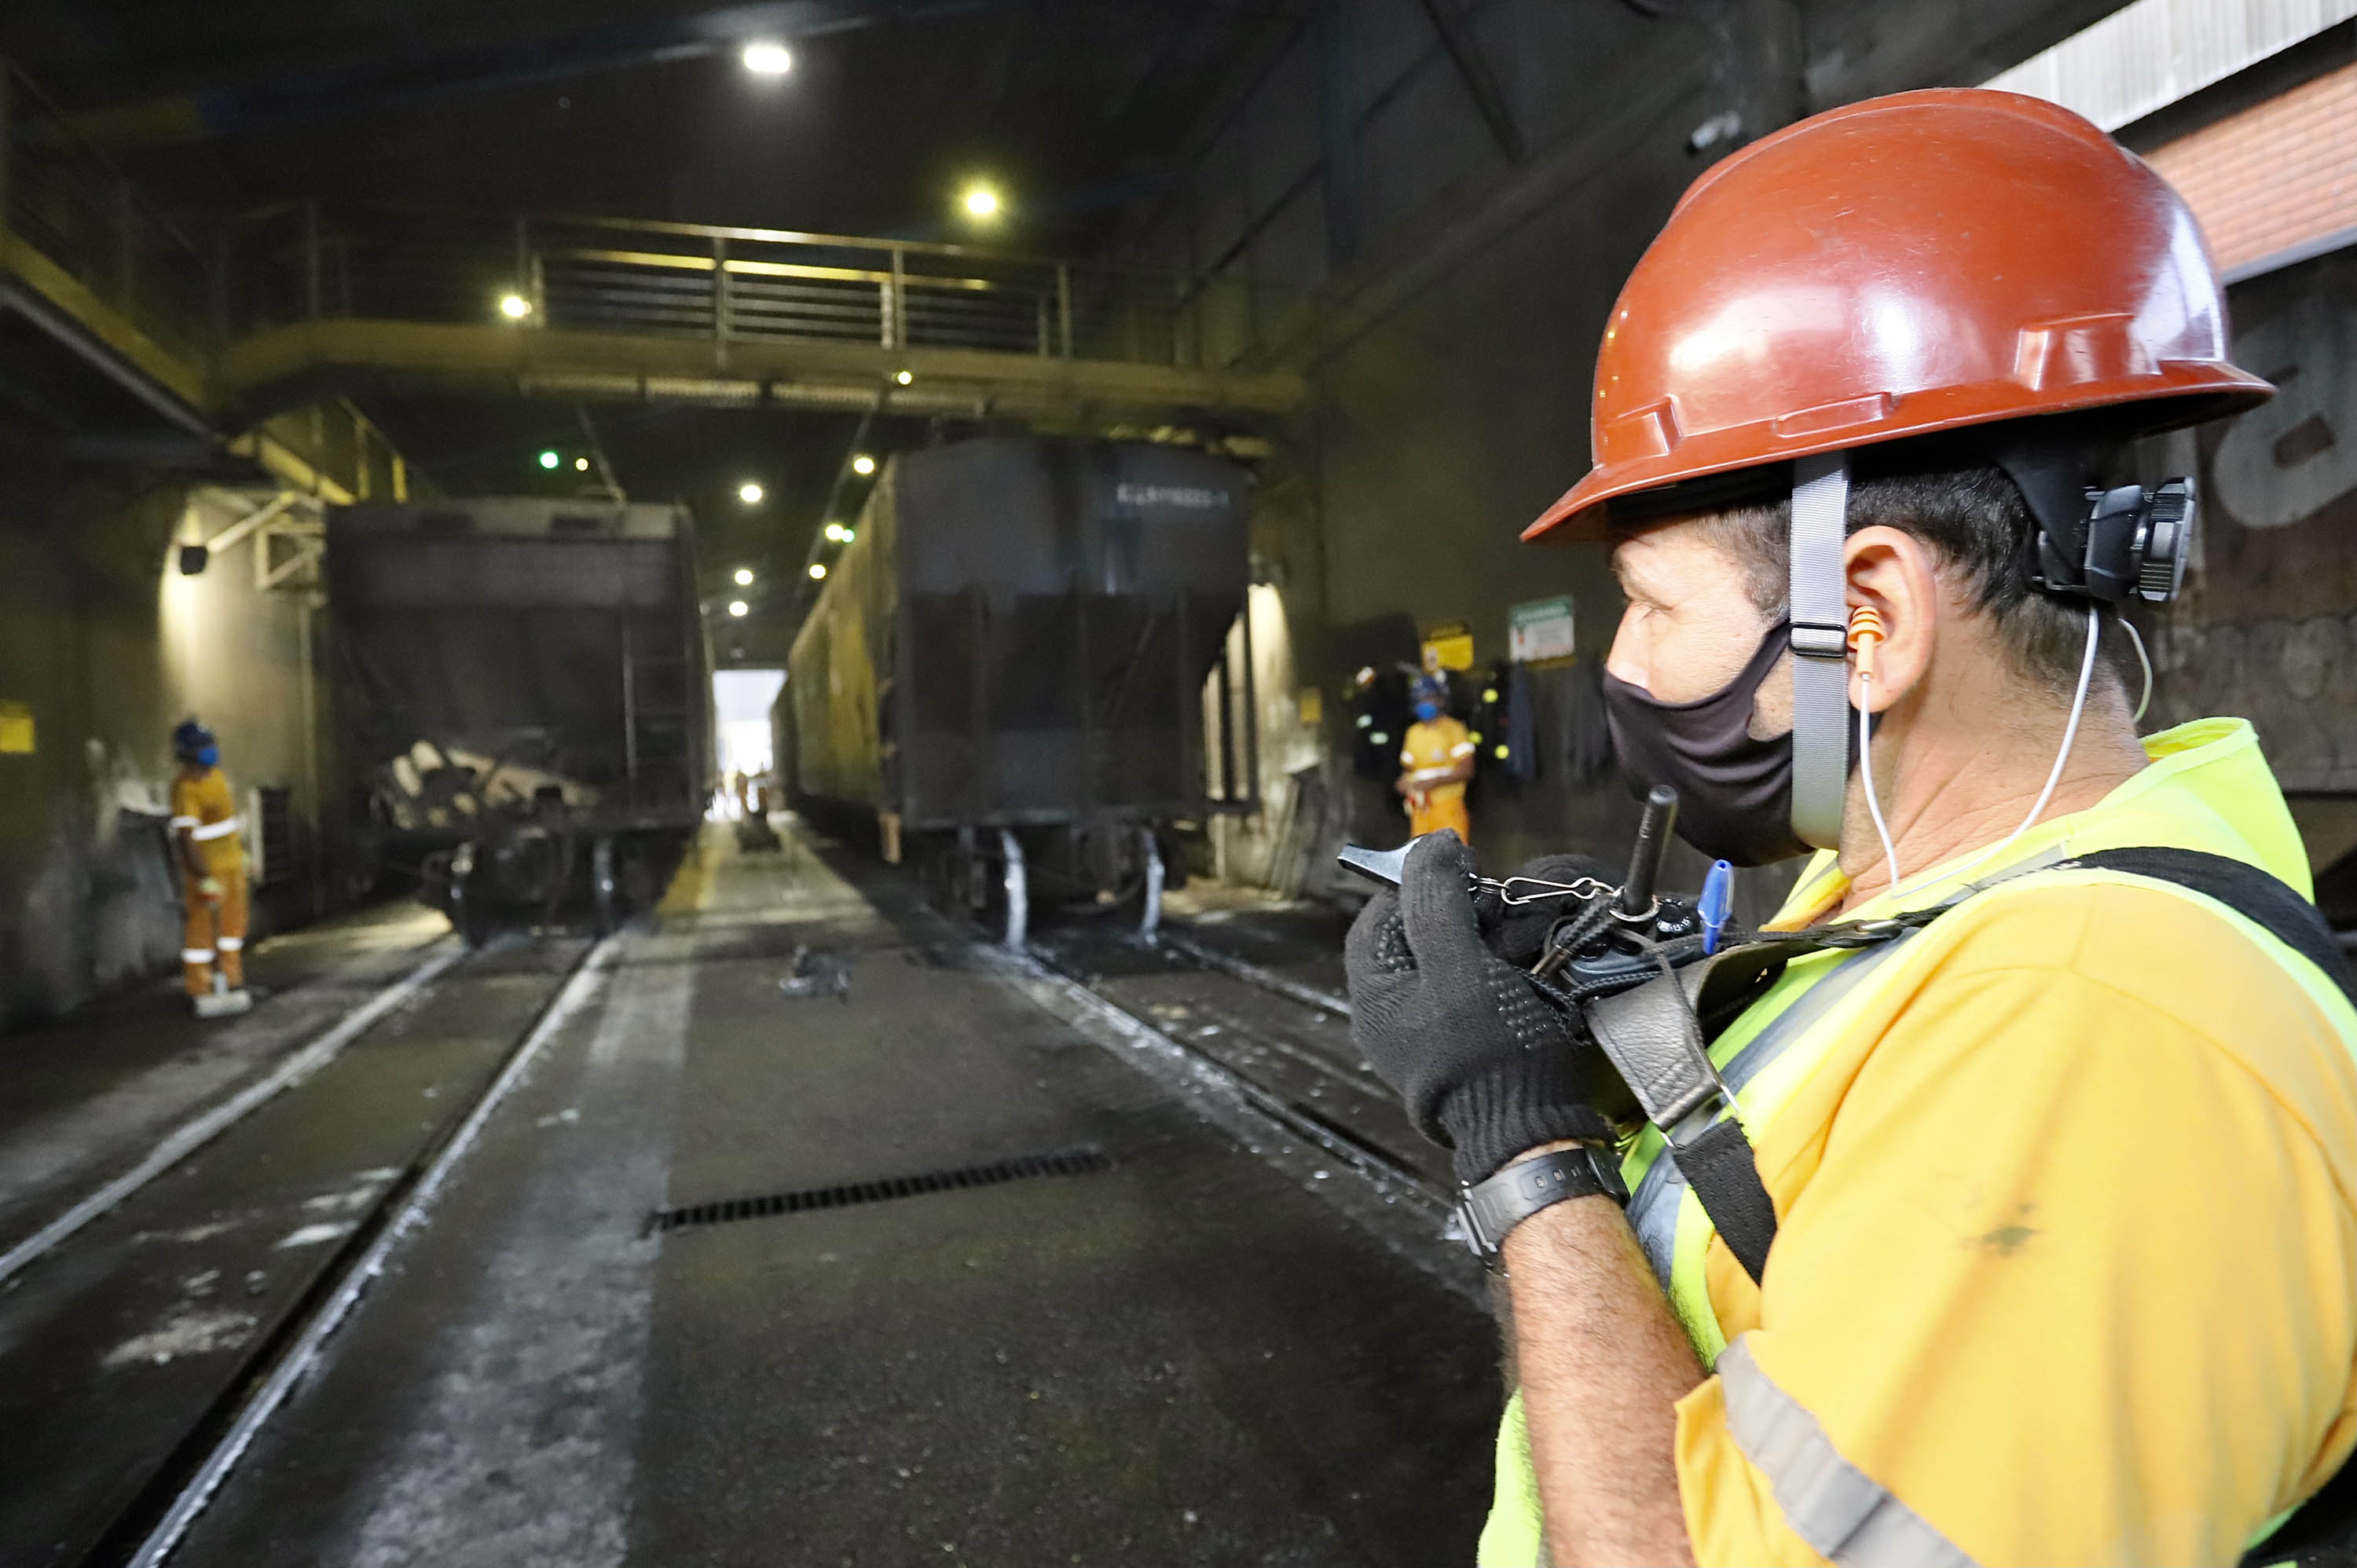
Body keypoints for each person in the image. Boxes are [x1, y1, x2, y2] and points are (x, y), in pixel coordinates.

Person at [1343, 90, 2356, 1566]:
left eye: (1652, 605)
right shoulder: (1944, 896)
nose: (1626, 664)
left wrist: (1526, 1147)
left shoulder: (2085, 1035)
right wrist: (1624, 1047)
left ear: (1864, 619)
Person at [169, 719, 253, 1018]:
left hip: (231, 867)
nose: (211, 750)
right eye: (203, 746)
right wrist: (203, 877)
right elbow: (186, 838)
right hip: (209, 872)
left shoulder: (216, 778)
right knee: (202, 933)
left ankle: (232, 980)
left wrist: (241, 855)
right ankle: (200, 987)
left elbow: (226, 825)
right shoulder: (186, 789)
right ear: (188, 753)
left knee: (232, 929)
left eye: (210, 744)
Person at [1398, 672, 1476, 844]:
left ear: (1441, 700)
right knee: (1420, 856)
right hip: (1420, 809)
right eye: (1420, 699)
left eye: (1429, 698)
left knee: (1452, 855)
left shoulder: (1454, 729)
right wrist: (1403, 783)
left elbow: (1468, 770)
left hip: (1449, 807)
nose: (1424, 703)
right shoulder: (1413, 733)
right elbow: (1408, 770)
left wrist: (1435, 782)